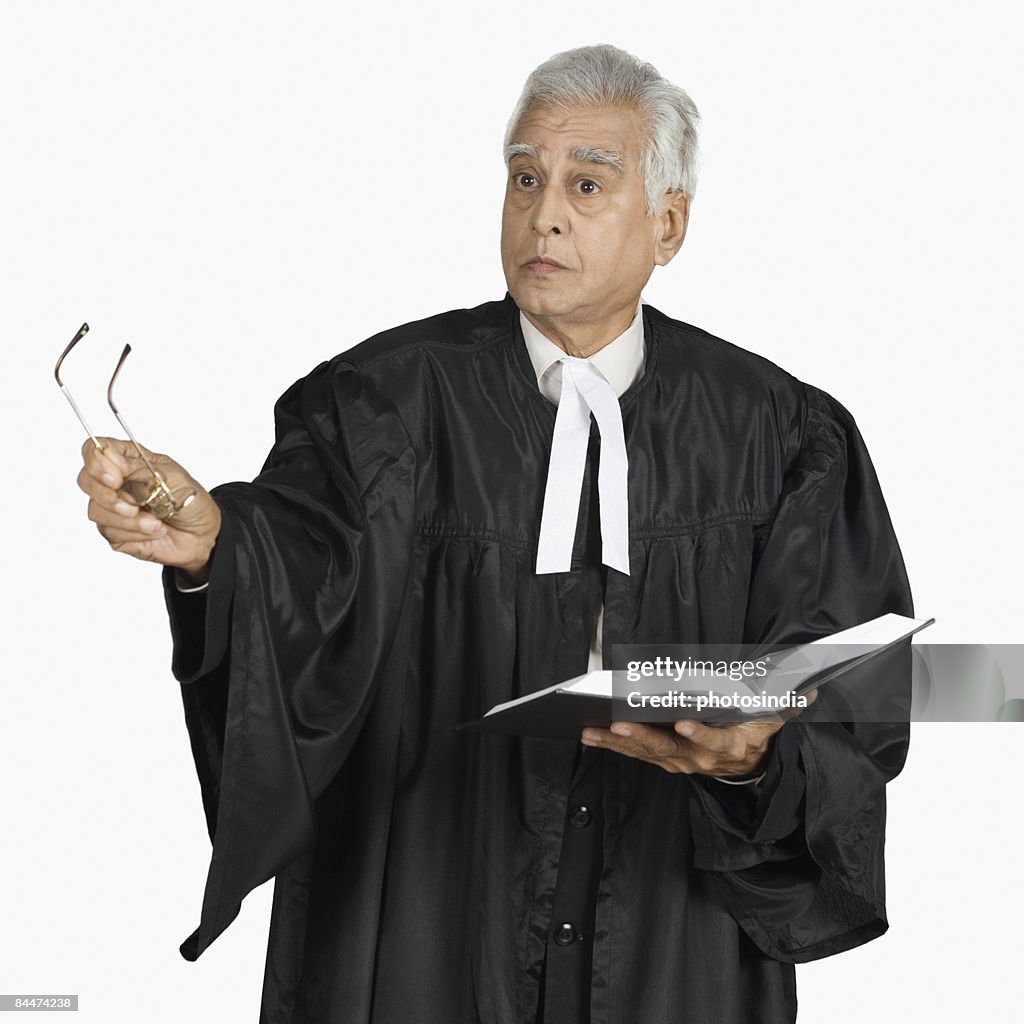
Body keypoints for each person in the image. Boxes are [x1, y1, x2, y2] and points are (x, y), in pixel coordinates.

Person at [75, 44, 912, 1024]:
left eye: (586, 183)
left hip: (671, 936)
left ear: (668, 224)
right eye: (524, 178)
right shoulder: (382, 403)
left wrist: (758, 760)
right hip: (422, 924)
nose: (543, 213)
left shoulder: (777, 434)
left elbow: (851, 697)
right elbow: (302, 582)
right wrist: (215, 544)